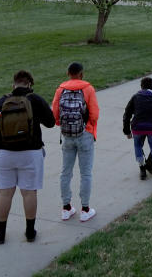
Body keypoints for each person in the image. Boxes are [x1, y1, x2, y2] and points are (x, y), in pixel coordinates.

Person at [0, 70, 55, 244]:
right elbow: (51, 123)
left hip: (3, 155)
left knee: (5, 194)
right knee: (29, 193)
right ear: (30, 85)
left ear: (13, 84)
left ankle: (0, 234)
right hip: (31, 154)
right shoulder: (35, 100)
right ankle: (30, 232)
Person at [51, 62, 100, 223]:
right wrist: (89, 126)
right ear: (81, 73)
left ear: (68, 73)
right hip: (85, 133)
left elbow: (55, 113)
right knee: (86, 173)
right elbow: (94, 114)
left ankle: (66, 207)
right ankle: (85, 209)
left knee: (66, 172)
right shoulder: (88, 89)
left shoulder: (61, 89)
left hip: (67, 135)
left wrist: (62, 124)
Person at [122, 77, 152, 183]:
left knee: (138, 146)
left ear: (141, 86)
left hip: (138, 127)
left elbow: (127, 114)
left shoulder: (135, 97)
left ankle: (142, 169)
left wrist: (127, 131)